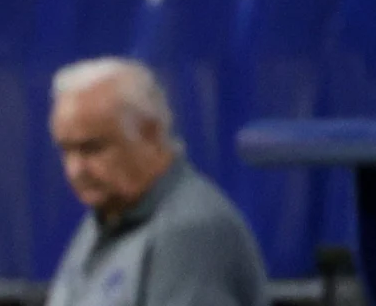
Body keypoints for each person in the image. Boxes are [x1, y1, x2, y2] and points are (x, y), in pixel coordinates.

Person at [45, 58, 268, 306]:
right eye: (66, 150)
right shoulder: (105, 217)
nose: (76, 170)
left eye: (92, 149)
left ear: (149, 133)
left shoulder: (190, 231)